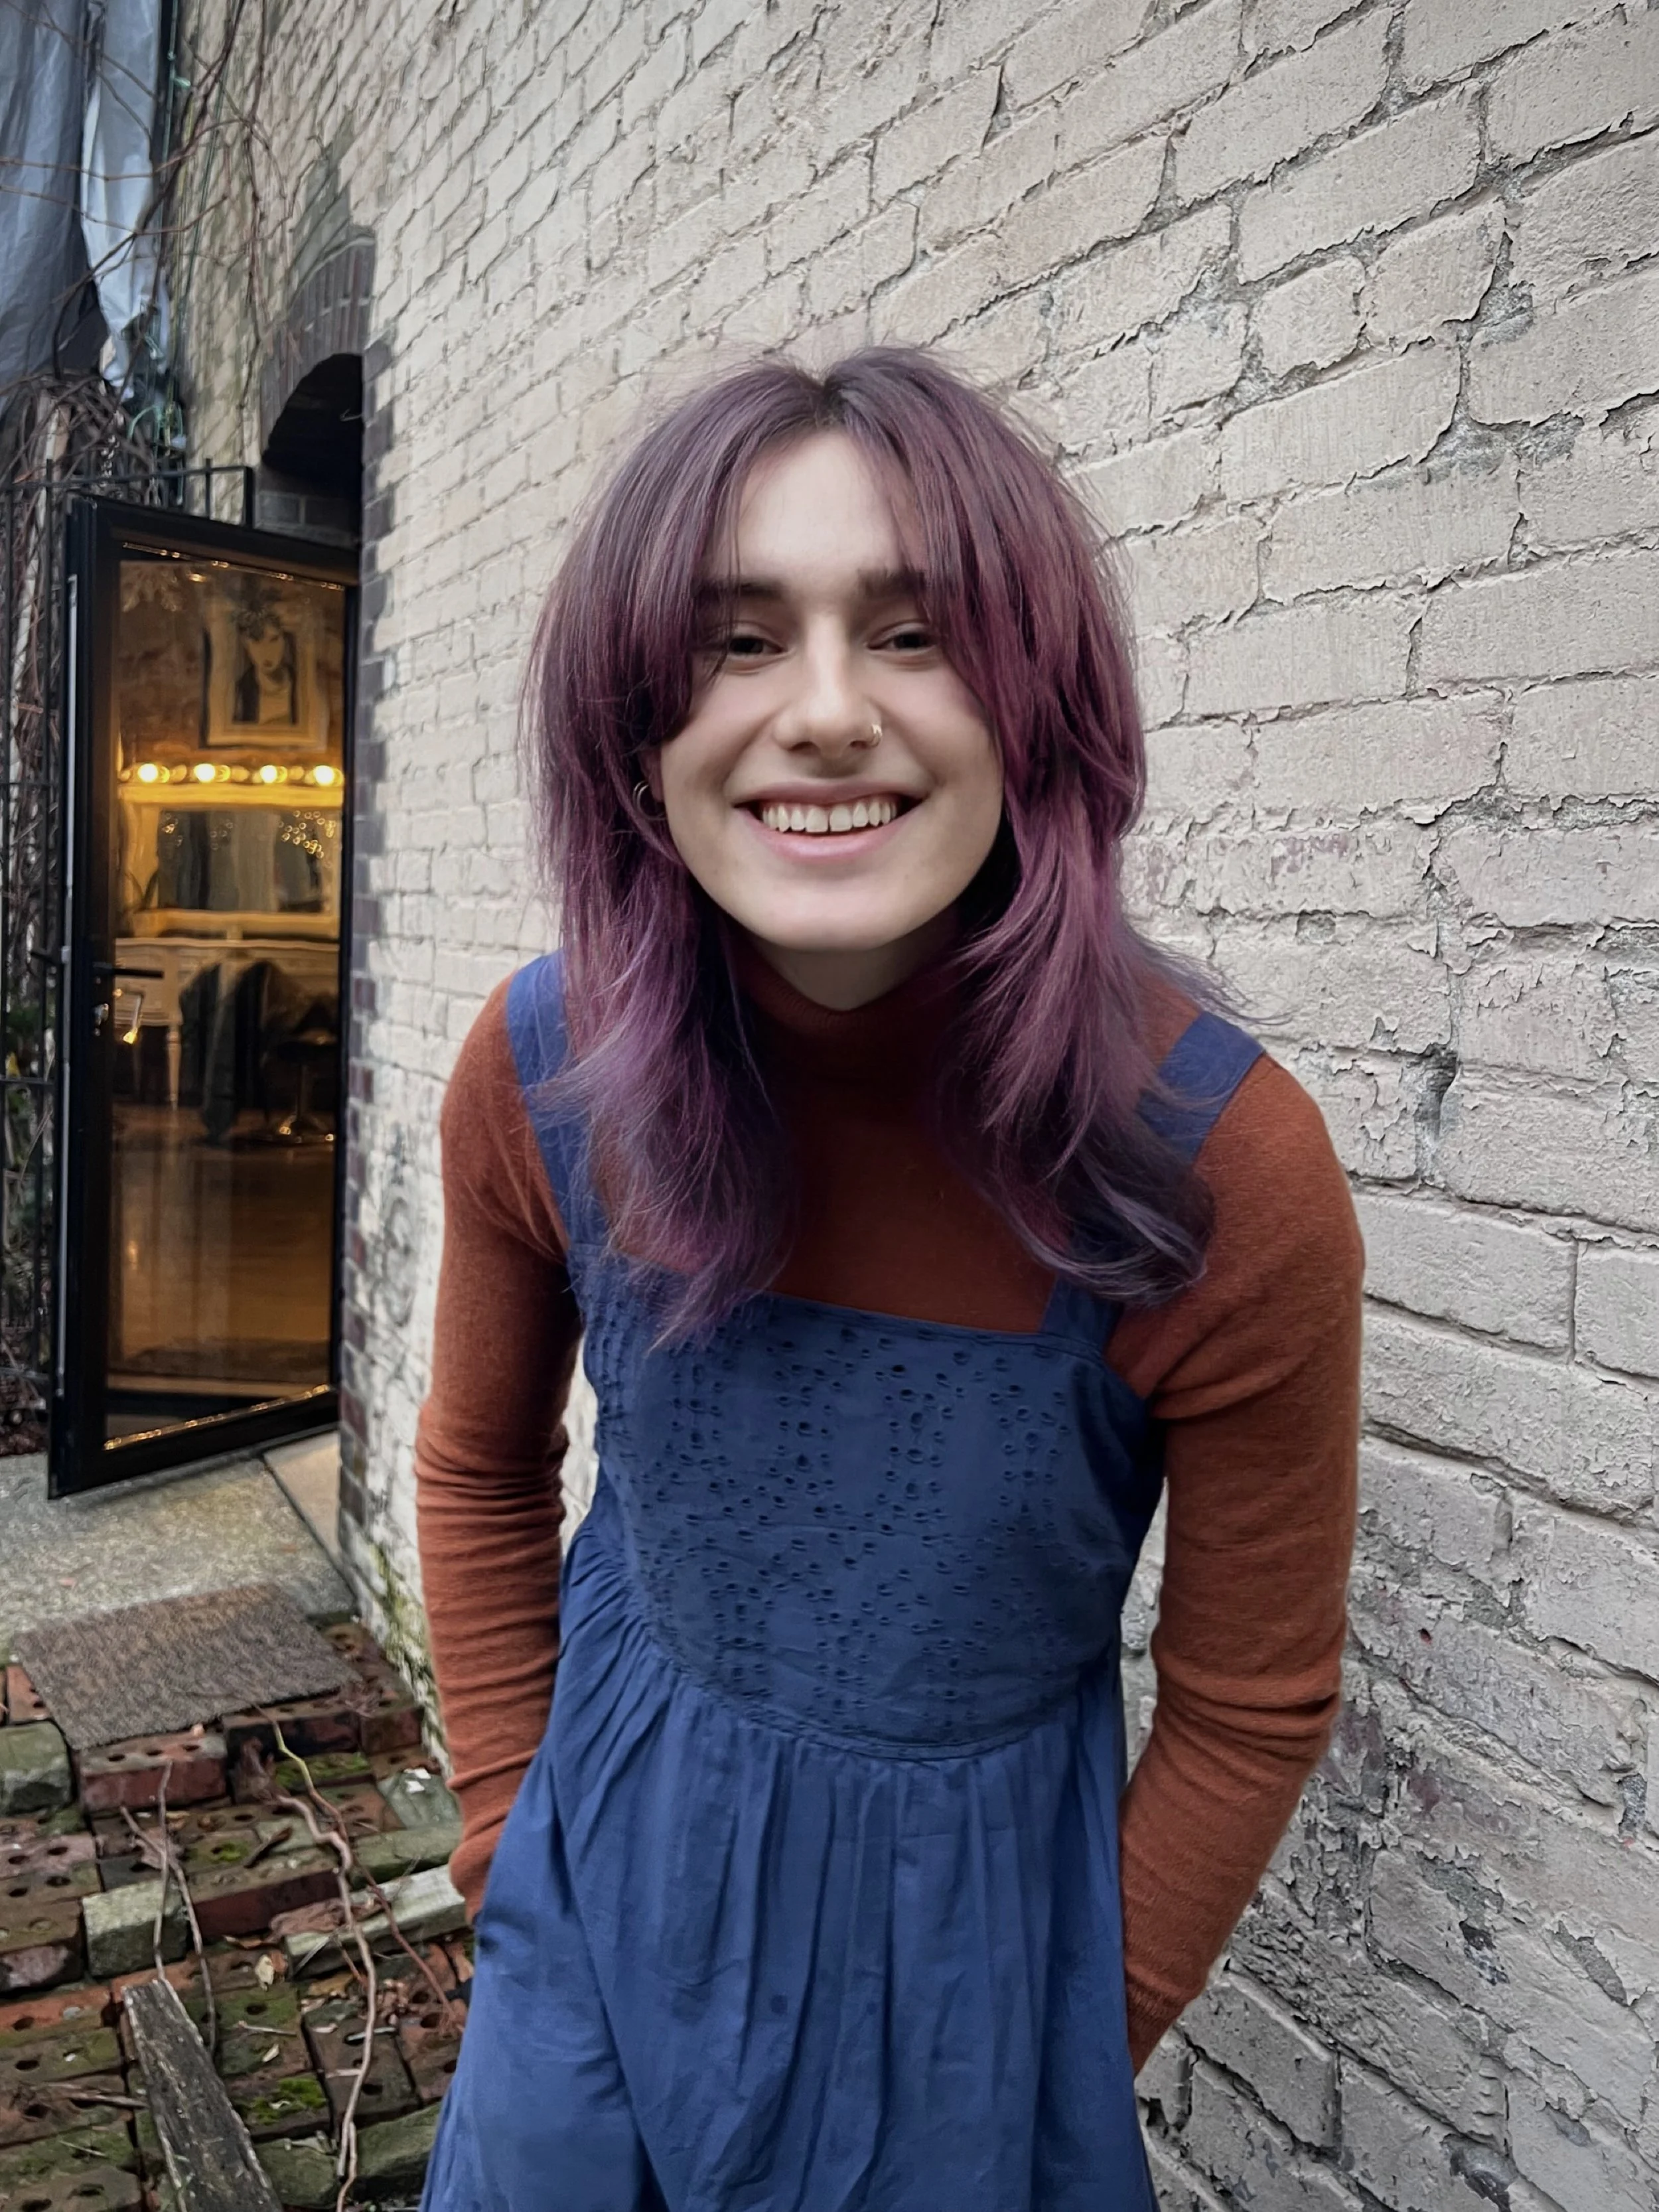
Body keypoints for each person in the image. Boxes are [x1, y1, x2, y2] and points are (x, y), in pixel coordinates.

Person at [415, 348, 1362, 2211]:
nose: (825, 712)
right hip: (589, 1917)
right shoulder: (542, 1074)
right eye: (735, 640)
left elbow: (1251, 1697)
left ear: (1037, 700)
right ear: (630, 724)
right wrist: (509, 1842)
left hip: (970, 1993)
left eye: (915, 632)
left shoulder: (1220, 1177)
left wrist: (1066, 2043)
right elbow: (474, 1467)